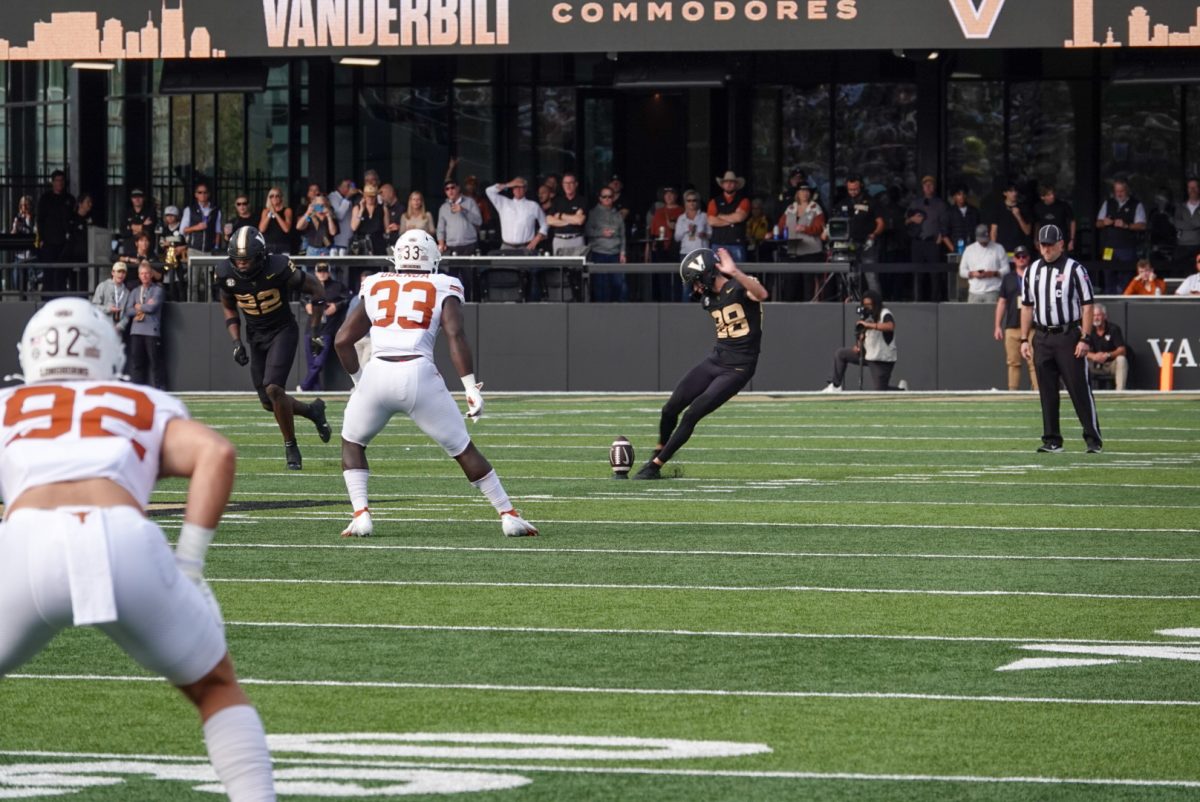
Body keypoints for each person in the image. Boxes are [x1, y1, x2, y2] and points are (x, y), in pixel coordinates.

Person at [0, 298, 276, 801]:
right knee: (215, 687)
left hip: (27, 540)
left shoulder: (7, 406)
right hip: (123, 539)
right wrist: (188, 565)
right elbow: (217, 452)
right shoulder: (143, 402)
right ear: (109, 353)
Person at [332, 230, 538, 538]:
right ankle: (507, 514)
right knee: (463, 449)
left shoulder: (374, 282)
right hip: (418, 372)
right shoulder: (444, 284)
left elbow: (342, 341)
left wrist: (360, 382)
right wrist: (470, 387)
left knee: (352, 442)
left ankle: (361, 513)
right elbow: (455, 334)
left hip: (378, 370)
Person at [632, 248, 768, 479]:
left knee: (692, 414)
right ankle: (660, 448)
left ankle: (655, 466)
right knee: (670, 408)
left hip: (738, 367)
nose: (695, 288)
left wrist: (734, 271)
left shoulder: (739, 286)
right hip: (716, 359)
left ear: (706, 273)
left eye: (696, 282)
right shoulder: (708, 299)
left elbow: (761, 294)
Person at [218, 227, 332, 470]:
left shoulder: (278, 267)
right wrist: (236, 341)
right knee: (269, 402)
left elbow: (317, 290)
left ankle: (291, 446)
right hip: (255, 334)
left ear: (260, 256)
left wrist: (315, 331)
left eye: (247, 259)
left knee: (273, 388)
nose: (242, 265)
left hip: (282, 330)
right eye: (238, 260)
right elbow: (228, 305)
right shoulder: (225, 272)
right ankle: (313, 411)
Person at [1019, 224, 1103, 454]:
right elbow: (1027, 307)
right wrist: (1024, 339)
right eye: (1042, 244)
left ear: (1061, 244)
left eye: (1049, 244)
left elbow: (1087, 305)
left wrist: (1085, 338)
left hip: (1068, 335)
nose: (1045, 249)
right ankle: (1052, 440)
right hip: (1043, 335)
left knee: (1078, 388)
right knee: (1046, 391)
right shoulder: (1032, 270)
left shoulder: (1075, 269)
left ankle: (1092, 439)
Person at [821, 290, 903, 392]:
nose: (867, 307)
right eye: (865, 304)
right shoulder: (867, 316)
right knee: (841, 354)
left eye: (869, 304)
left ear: (875, 303)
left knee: (880, 391)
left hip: (882, 359)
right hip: (868, 354)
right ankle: (835, 385)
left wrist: (870, 326)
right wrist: (859, 344)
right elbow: (863, 337)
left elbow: (890, 326)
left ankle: (901, 391)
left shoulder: (884, 313)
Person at [827, 177, 885, 293]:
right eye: (850, 189)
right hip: (848, 245)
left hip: (867, 244)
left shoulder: (872, 202)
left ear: (861, 187)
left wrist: (873, 235)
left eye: (855, 189)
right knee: (850, 276)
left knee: (871, 276)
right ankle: (850, 303)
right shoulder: (843, 203)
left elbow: (881, 223)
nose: (853, 191)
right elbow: (834, 223)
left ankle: (876, 304)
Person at [993, 246, 1038, 391]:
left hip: (1032, 326)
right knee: (1013, 362)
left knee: (1034, 361)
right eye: (1018, 256)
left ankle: (1038, 390)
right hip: (1012, 325)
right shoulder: (1008, 278)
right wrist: (997, 325)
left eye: (1024, 256)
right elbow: (1002, 302)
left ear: (1028, 258)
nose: (1021, 259)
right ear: (1014, 259)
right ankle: (1013, 392)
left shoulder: (1035, 276)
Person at [299, 262, 347, 392]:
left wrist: (336, 306)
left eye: (325, 271)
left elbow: (346, 298)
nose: (322, 273)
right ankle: (316, 389)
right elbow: (302, 298)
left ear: (329, 272)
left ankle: (305, 386)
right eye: (320, 271)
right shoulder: (309, 285)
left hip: (326, 328)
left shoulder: (337, 286)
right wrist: (306, 305)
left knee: (319, 361)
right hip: (311, 327)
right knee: (311, 361)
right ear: (315, 272)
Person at [905, 175, 952, 301]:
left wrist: (941, 237)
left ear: (934, 187)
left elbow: (945, 224)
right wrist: (911, 219)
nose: (928, 187)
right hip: (918, 242)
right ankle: (917, 301)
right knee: (917, 274)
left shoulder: (941, 204)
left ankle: (935, 301)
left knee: (935, 275)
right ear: (922, 187)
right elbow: (905, 222)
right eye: (926, 185)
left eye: (931, 184)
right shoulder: (915, 203)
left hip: (933, 242)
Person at [1095, 178, 1146, 294]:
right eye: (1116, 191)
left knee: (1126, 277)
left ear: (1127, 190)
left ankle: (1124, 303)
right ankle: (1109, 302)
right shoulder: (1108, 203)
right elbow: (1098, 223)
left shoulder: (1136, 204)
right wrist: (1104, 223)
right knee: (1108, 274)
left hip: (1126, 247)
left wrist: (1126, 225)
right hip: (1109, 248)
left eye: (1121, 191)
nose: (1119, 194)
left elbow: (1142, 225)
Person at [122, 262, 167, 390]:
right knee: (137, 364)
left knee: (155, 363)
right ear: (139, 276)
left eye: (147, 273)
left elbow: (152, 307)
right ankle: (138, 390)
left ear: (151, 274)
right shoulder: (135, 291)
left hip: (152, 331)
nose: (145, 276)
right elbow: (128, 310)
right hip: (136, 331)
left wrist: (139, 306)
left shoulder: (157, 290)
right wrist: (144, 307)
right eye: (142, 274)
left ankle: (160, 389)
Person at [585, 186, 627, 302]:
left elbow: (623, 235)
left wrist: (623, 252)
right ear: (600, 198)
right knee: (600, 287)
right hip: (599, 253)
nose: (607, 199)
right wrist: (601, 233)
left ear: (613, 198)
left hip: (615, 253)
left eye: (610, 196)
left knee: (618, 285)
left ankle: (618, 312)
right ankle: (601, 314)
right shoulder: (593, 213)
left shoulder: (618, 214)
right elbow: (587, 231)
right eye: (604, 197)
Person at [35, 170, 76, 291]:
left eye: (62, 180)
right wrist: (41, 238)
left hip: (64, 242)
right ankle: (47, 297)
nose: (60, 183)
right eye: (57, 180)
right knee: (49, 272)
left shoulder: (69, 199)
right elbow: (40, 220)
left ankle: (61, 296)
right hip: (49, 241)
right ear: (52, 182)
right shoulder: (45, 198)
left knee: (62, 272)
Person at [486, 177, 546, 254]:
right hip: (506, 247)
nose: (518, 189)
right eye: (515, 187)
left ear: (525, 189)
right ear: (512, 188)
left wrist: (537, 238)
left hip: (526, 247)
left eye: (521, 187)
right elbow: (489, 191)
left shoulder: (533, 205)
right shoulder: (504, 203)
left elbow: (545, 223)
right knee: (504, 266)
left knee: (526, 266)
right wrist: (508, 184)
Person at [958, 223, 1009, 303]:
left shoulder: (998, 248)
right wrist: (972, 274)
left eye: (985, 240)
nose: (984, 243)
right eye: (981, 240)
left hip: (993, 290)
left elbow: (1006, 269)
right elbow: (962, 271)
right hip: (974, 291)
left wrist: (994, 273)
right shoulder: (969, 249)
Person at [707, 171, 751, 263]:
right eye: (726, 182)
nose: (729, 184)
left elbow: (739, 218)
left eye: (732, 182)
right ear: (722, 185)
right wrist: (732, 219)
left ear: (736, 184)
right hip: (718, 244)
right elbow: (711, 221)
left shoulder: (744, 200)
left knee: (737, 274)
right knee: (718, 274)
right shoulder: (714, 201)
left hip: (736, 244)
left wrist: (720, 216)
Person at [1086, 303, 1128, 391]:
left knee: (1121, 360)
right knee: (1079, 360)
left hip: (1110, 364)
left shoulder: (1114, 329)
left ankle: (1119, 393)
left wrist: (1107, 355)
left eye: (1098, 315)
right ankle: (1081, 392)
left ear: (1104, 316)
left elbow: (1122, 350)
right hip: (1093, 365)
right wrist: (1094, 356)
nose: (1096, 318)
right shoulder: (1088, 330)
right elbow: (1081, 349)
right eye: (1093, 315)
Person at [546, 172, 587, 256]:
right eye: (565, 183)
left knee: (577, 268)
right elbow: (549, 220)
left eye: (571, 183)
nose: (568, 186)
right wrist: (571, 220)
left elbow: (579, 220)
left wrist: (560, 216)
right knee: (559, 268)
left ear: (576, 184)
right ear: (562, 185)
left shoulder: (582, 200)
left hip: (576, 239)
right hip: (559, 239)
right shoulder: (557, 200)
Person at [987, 180, 1033, 255]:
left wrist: (1018, 216)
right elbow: (993, 231)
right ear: (1005, 193)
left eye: (1015, 191)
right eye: (1011, 191)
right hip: (1002, 250)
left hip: (1019, 251)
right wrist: (993, 249)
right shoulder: (998, 208)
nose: (1014, 193)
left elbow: (1027, 231)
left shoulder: (1024, 208)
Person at [180, 182, 223, 256]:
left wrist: (216, 247)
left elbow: (218, 231)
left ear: (208, 194)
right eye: (200, 192)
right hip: (194, 249)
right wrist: (196, 227)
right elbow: (182, 230)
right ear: (196, 194)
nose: (202, 195)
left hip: (210, 250)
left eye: (205, 192)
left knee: (210, 268)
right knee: (193, 268)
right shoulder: (189, 210)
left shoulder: (215, 211)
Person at [1032, 185, 1076, 253]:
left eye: (1053, 194)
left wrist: (1072, 239)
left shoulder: (1063, 205)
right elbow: (1037, 224)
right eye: (1049, 195)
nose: (1052, 196)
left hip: (1061, 240)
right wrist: (1036, 239)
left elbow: (1072, 221)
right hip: (1044, 240)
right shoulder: (1038, 207)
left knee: (1061, 260)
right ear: (1042, 197)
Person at [1170, 177, 1200, 275]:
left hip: (1198, 245)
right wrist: (1194, 225)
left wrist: (1186, 224)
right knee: (1180, 273)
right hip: (1182, 245)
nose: (1192, 190)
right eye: (1190, 188)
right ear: (1187, 190)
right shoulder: (1180, 207)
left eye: (1195, 187)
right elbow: (1177, 223)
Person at [296, 188, 338, 257]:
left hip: (326, 249)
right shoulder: (311, 216)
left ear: (327, 205)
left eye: (323, 205)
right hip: (312, 249)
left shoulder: (330, 215)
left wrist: (329, 217)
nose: (320, 207)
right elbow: (299, 227)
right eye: (318, 205)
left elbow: (333, 232)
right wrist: (307, 212)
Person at [258, 187, 293, 255]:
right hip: (269, 245)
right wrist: (270, 213)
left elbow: (286, 229)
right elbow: (262, 229)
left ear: (281, 197)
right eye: (271, 196)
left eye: (277, 196)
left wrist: (275, 213)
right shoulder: (265, 211)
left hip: (283, 244)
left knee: (283, 264)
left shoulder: (287, 210)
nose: (274, 198)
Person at [946, 185, 981, 255]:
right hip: (957, 250)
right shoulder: (949, 212)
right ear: (954, 197)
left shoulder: (974, 211)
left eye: (963, 194)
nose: (962, 196)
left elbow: (978, 230)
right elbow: (944, 235)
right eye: (959, 194)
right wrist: (953, 249)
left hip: (973, 249)